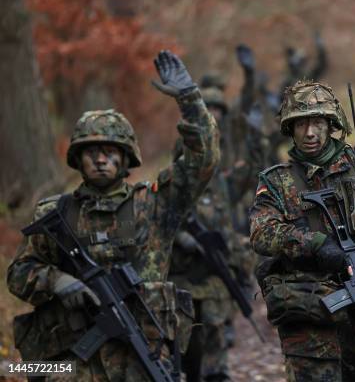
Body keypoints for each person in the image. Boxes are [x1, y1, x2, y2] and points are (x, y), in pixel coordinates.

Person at [8, 50, 220, 380]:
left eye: (110, 152)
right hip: (72, 363)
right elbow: (19, 274)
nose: (101, 160)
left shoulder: (154, 204)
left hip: (142, 359)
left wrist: (190, 99)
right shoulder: (55, 214)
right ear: (78, 160)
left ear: (126, 159)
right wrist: (58, 281)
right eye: (91, 152)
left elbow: (203, 160)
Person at [250, 0, 355, 381]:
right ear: (290, 130)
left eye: (317, 123)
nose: (309, 133)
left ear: (332, 125)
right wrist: (315, 245)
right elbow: (262, 233)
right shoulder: (277, 179)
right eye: (300, 124)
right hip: (308, 314)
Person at [170, 82, 261, 382]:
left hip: (212, 274)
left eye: (220, 110)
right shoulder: (173, 183)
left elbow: (249, 175)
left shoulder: (221, 182)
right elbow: (161, 221)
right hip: (181, 274)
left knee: (214, 332)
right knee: (184, 343)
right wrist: (186, 240)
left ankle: (217, 372)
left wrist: (255, 138)